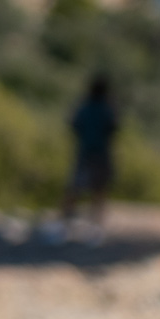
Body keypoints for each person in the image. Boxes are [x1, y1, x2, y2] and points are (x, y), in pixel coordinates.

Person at [62, 73, 120, 226]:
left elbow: (74, 125)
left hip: (85, 150)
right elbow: (114, 128)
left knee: (75, 186)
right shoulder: (107, 108)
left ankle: (65, 218)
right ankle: (96, 221)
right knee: (99, 187)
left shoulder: (84, 107)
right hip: (101, 151)